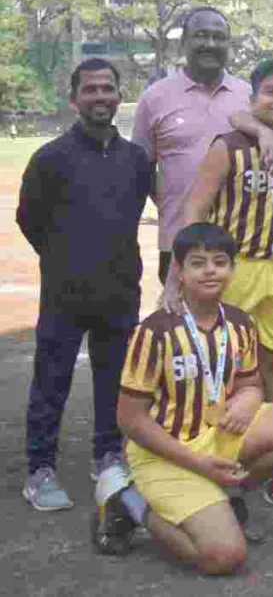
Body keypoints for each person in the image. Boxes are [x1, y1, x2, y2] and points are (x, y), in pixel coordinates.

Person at [118, 223, 273, 575]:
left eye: (220, 261)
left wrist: (248, 398)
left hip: (215, 436)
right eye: (197, 263)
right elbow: (130, 419)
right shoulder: (155, 331)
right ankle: (130, 502)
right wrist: (196, 463)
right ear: (179, 273)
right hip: (165, 453)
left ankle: (226, 493)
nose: (210, 270)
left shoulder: (240, 323)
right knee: (223, 557)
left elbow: (250, 384)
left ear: (233, 269)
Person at [162, 57, 273, 515]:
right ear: (253, 99)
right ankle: (214, 460)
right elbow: (195, 210)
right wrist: (179, 274)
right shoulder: (228, 145)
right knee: (224, 368)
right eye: (270, 91)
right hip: (238, 268)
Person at [17, 58, 151, 511]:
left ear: (118, 96)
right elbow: (29, 220)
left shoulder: (135, 159)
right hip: (65, 293)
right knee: (51, 380)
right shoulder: (50, 158)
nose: (100, 97)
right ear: (74, 99)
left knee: (114, 378)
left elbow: (132, 213)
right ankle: (40, 470)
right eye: (90, 90)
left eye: (107, 89)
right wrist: (64, 259)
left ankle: (107, 456)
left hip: (119, 289)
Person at [133, 7, 256, 284]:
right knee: (182, 325)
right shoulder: (155, 98)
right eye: (201, 35)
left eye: (219, 37)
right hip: (180, 242)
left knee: (238, 327)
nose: (210, 44)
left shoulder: (249, 96)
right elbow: (141, 170)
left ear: (229, 44)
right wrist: (176, 202)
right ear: (184, 42)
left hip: (242, 245)